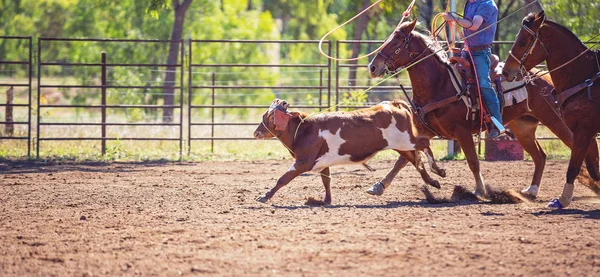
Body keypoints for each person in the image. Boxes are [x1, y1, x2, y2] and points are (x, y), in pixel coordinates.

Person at [443, 0, 504, 138]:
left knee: (483, 84)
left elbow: (474, 25)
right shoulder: (470, 2)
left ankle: (497, 122)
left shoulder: (487, 4)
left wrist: (454, 19)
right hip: (468, 50)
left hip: (481, 53)